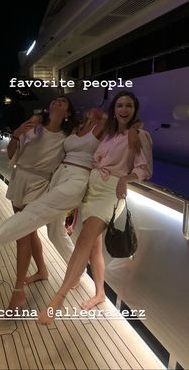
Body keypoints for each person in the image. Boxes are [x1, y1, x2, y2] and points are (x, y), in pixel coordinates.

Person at [37, 91, 153, 324]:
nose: (123, 109)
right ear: (114, 109)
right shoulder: (109, 134)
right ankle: (100, 293)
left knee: (83, 241)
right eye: (119, 105)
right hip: (92, 188)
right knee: (93, 247)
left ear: (135, 109)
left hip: (111, 193)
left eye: (129, 105)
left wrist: (124, 179)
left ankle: (58, 299)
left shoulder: (140, 135)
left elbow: (145, 169)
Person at [4, 98, 76, 309]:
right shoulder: (33, 127)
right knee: (30, 233)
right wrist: (15, 135)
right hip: (20, 179)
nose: (58, 102)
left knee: (21, 235)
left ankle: (18, 290)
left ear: (68, 114)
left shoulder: (67, 138)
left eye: (64, 102)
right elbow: (11, 154)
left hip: (40, 184)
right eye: (56, 100)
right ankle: (42, 270)